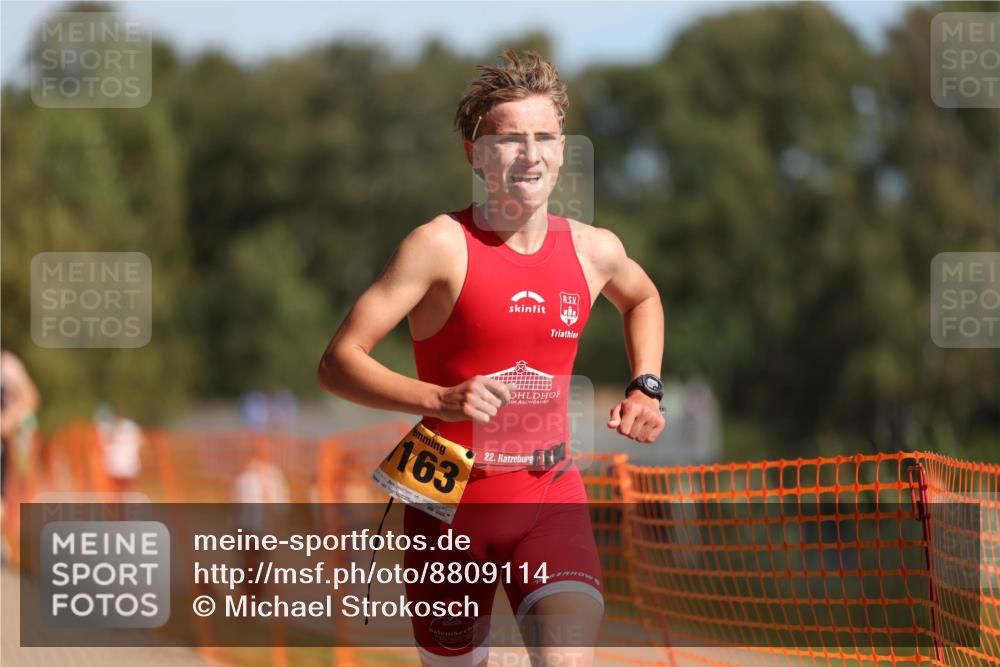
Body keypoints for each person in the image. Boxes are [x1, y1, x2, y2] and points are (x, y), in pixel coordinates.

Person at [318, 49, 666, 667]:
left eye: (546, 137)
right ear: (475, 155)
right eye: (509, 140)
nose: (530, 154)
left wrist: (646, 385)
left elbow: (642, 298)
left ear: (564, 148)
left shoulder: (594, 250)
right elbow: (338, 361)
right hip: (446, 498)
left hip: (548, 491)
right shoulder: (438, 246)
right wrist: (439, 399)